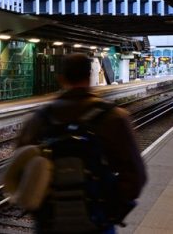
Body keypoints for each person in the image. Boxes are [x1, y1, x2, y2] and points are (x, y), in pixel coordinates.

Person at [15, 54, 146, 233]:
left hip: (49, 224)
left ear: (60, 78)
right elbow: (136, 176)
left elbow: (19, 171)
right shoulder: (114, 117)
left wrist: (38, 207)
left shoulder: (38, 119)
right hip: (98, 223)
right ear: (90, 76)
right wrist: (110, 209)